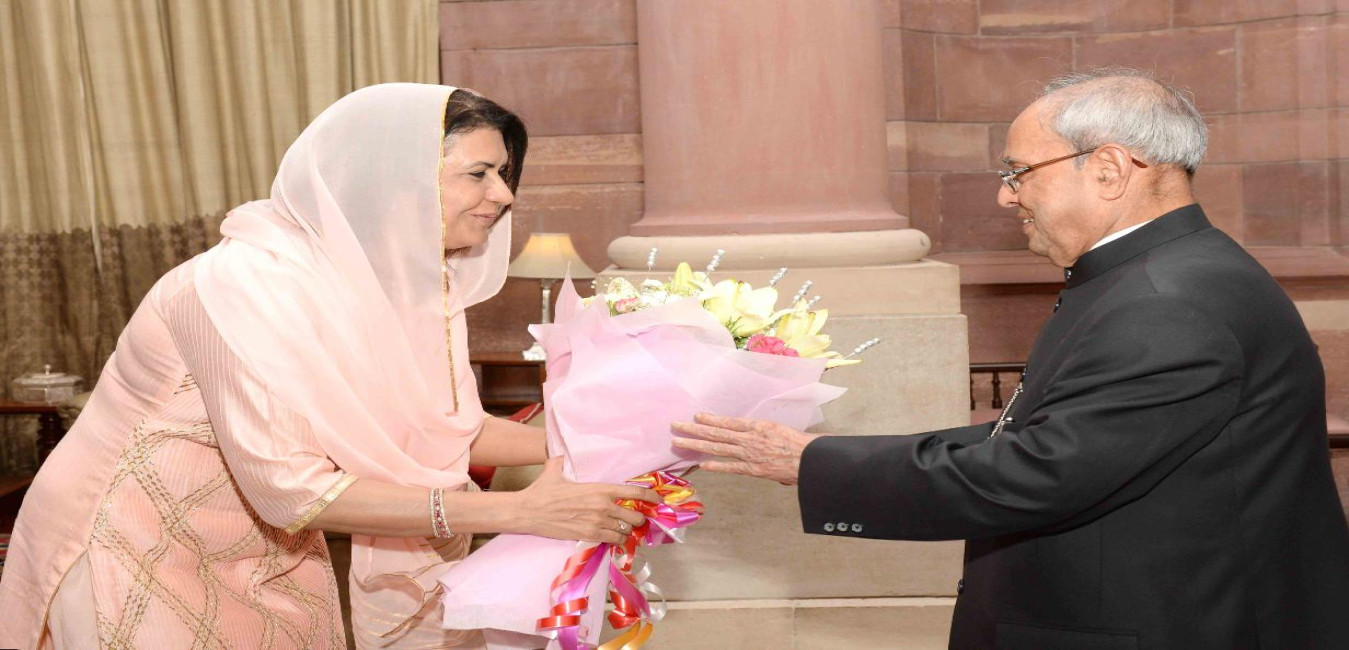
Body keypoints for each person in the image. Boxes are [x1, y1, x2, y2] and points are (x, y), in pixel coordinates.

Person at [673, 68, 1349, 648]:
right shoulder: (1161, 274)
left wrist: (811, 466)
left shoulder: (1168, 300)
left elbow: (1039, 472)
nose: (1005, 194)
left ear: (1110, 169)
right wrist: (823, 456)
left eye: (1018, 172)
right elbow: (1042, 437)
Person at [0, 83, 656, 649]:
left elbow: (452, 426)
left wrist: (612, 440)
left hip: (273, 547)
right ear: (393, 178)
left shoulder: (411, 286)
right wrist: (518, 512)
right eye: (479, 173)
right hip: (137, 537)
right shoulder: (246, 282)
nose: (503, 194)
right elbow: (291, 489)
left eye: (504, 174)